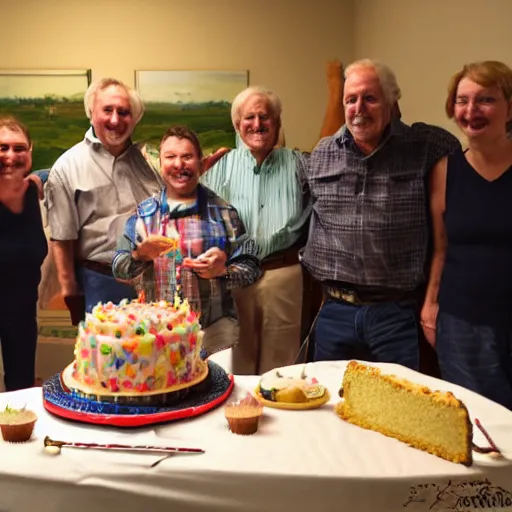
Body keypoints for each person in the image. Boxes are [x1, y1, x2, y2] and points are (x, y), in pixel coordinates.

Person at [301, 59, 460, 371]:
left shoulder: (427, 146)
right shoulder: (322, 154)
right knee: (329, 405)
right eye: (351, 99)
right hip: (335, 310)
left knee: (398, 407)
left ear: (391, 102)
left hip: (395, 312)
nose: (359, 108)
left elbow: (473, 163)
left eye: (370, 98)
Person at [201, 62, 344, 374]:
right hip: (234, 274)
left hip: (284, 273)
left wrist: (335, 87)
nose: (257, 123)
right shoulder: (218, 167)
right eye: (249, 117)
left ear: (278, 123)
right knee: (235, 361)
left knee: (283, 365)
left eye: (265, 116)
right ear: (237, 124)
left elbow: (332, 155)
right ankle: (238, 420)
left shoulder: (298, 164)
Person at [45, 78, 225, 323]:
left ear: (135, 119)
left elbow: (174, 201)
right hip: (99, 280)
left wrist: (194, 173)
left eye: (124, 112)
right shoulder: (67, 167)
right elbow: (62, 238)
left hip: (153, 280)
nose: (115, 120)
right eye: (107, 110)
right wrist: (70, 292)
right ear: (91, 113)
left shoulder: (149, 161)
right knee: (110, 357)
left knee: (158, 355)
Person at [113, 126, 261, 356]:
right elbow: (119, 269)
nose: (179, 164)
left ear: (201, 164)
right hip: (157, 336)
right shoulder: (143, 216)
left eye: (187, 157)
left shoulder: (224, 212)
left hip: (215, 335)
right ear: (160, 165)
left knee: (219, 391)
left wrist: (223, 270)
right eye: (171, 157)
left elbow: (251, 268)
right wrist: (139, 256)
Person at [421, 61, 512, 409]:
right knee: (478, 423)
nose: (471, 111)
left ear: (509, 108)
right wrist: (430, 305)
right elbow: (441, 248)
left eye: (485, 99)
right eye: (462, 101)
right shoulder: (444, 171)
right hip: (462, 323)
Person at [0, 116, 48, 390]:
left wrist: (39, 176)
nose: (10, 155)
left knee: (20, 390)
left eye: (19, 148)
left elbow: (58, 172)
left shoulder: (33, 191)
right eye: (2, 147)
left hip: (22, 315)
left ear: (30, 151)